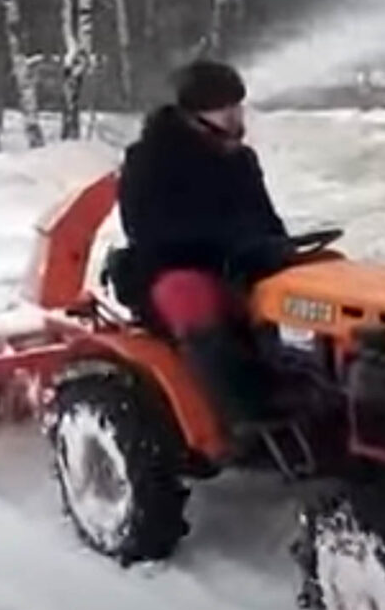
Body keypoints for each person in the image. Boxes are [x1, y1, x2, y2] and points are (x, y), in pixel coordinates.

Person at [117, 60, 288, 437]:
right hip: (173, 268)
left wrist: (276, 246)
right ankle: (239, 413)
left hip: (239, 262)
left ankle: (307, 382)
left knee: (309, 280)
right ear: (192, 115)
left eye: (237, 106)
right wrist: (226, 246)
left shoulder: (242, 161)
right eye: (222, 108)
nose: (233, 116)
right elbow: (147, 231)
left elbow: (265, 218)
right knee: (192, 297)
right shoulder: (150, 160)